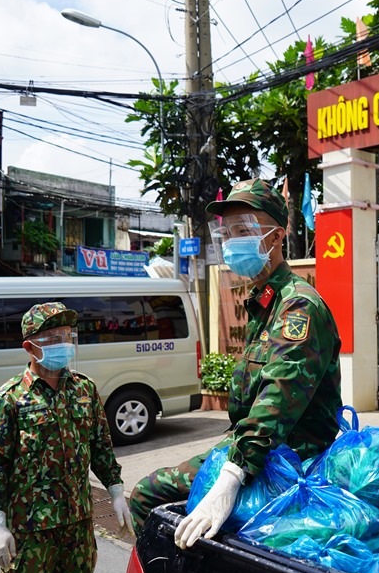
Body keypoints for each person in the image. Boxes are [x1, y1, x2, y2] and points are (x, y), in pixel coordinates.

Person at [128, 178, 342, 548]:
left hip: (287, 456)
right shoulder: (264, 302)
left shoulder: (298, 305)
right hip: (256, 448)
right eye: (227, 233)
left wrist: (231, 474)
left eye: (243, 230)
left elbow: (277, 396)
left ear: (275, 238)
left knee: (147, 494)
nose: (232, 242)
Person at [0, 302, 132, 573]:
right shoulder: (8, 399)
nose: (62, 345)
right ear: (29, 347)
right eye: (52, 339)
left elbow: (100, 446)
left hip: (76, 526)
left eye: (66, 336)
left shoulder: (84, 390)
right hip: (28, 532)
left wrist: (116, 491)